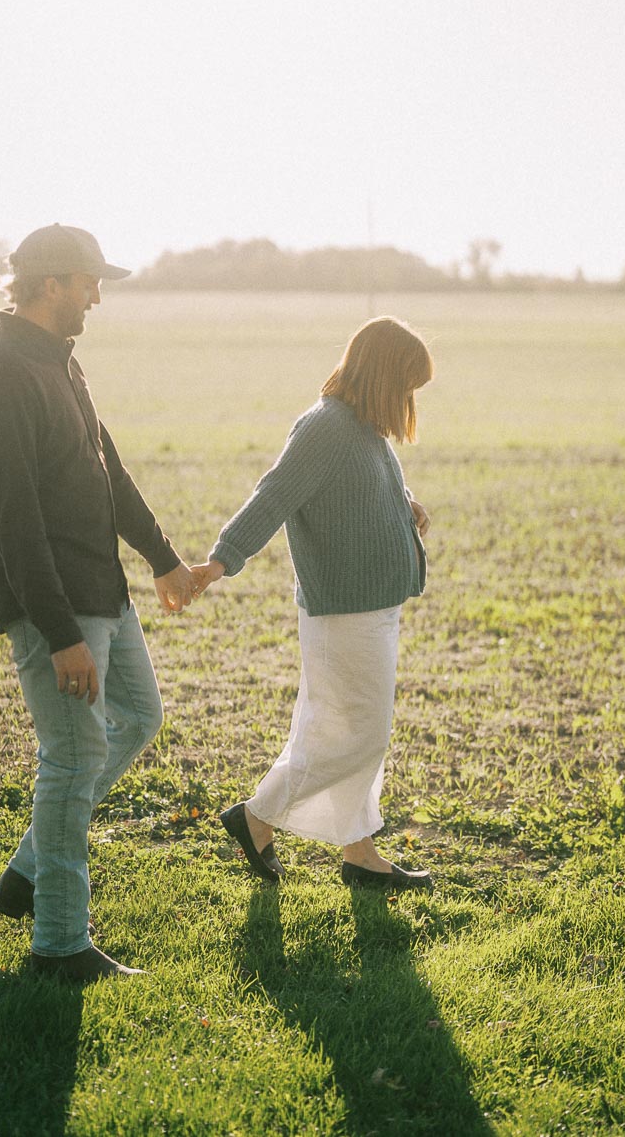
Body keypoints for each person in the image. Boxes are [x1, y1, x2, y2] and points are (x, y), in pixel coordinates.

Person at [0, 223, 194, 981]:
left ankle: (31, 866)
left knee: (139, 718)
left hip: (105, 593)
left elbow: (108, 473)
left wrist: (162, 560)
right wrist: (58, 633)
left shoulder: (62, 362)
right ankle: (58, 945)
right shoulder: (1, 376)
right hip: (56, 605)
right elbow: (13, 522)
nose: (99, 294)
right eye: (91, 281)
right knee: (72, 759)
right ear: (52, 283)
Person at [191, 316, 435, 892]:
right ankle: (255, 818)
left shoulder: (362, 427)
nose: (409, 400)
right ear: (383, 376)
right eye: (407, 385)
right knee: (356, 736)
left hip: (369, 607)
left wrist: (408, 506)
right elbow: (274, 496)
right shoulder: (326, 426)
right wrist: (221, 560)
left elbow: (362, 487)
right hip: (345, 613)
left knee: (339, 731)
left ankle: (360, 854)